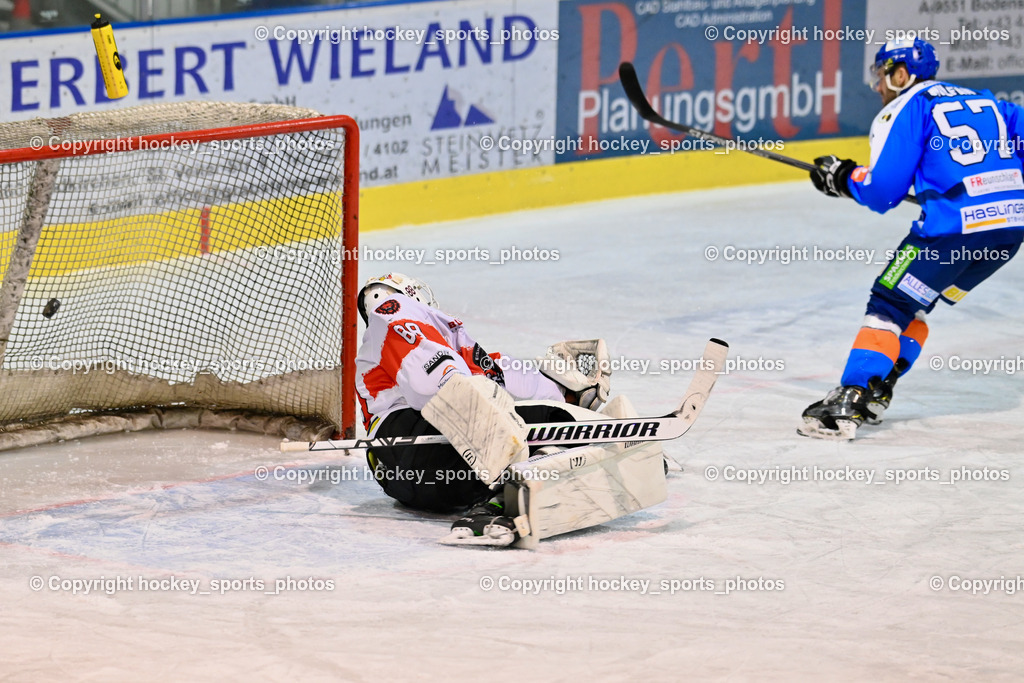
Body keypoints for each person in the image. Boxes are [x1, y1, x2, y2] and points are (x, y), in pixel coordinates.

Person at [800, 37, 1024, 439]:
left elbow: (883, 191)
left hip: (953, 232)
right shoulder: (990, 102)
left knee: (889, 303)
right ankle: (879, 387)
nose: (877, 87)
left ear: (902, 74)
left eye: (883, 75)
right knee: (915, 305)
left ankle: (850, 399)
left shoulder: (908, 106)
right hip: (1009, 231)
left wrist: (843, 177)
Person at [354, 272, 626, 545]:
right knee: (554, 422)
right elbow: (438, 383)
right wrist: (572, 419)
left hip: (417, 482)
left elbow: (502, 376)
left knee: (548, 422)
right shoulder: (390, 311)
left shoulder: (449, 348)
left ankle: (494, 506)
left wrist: (565, 394)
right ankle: (604, 449)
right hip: (411, 446)